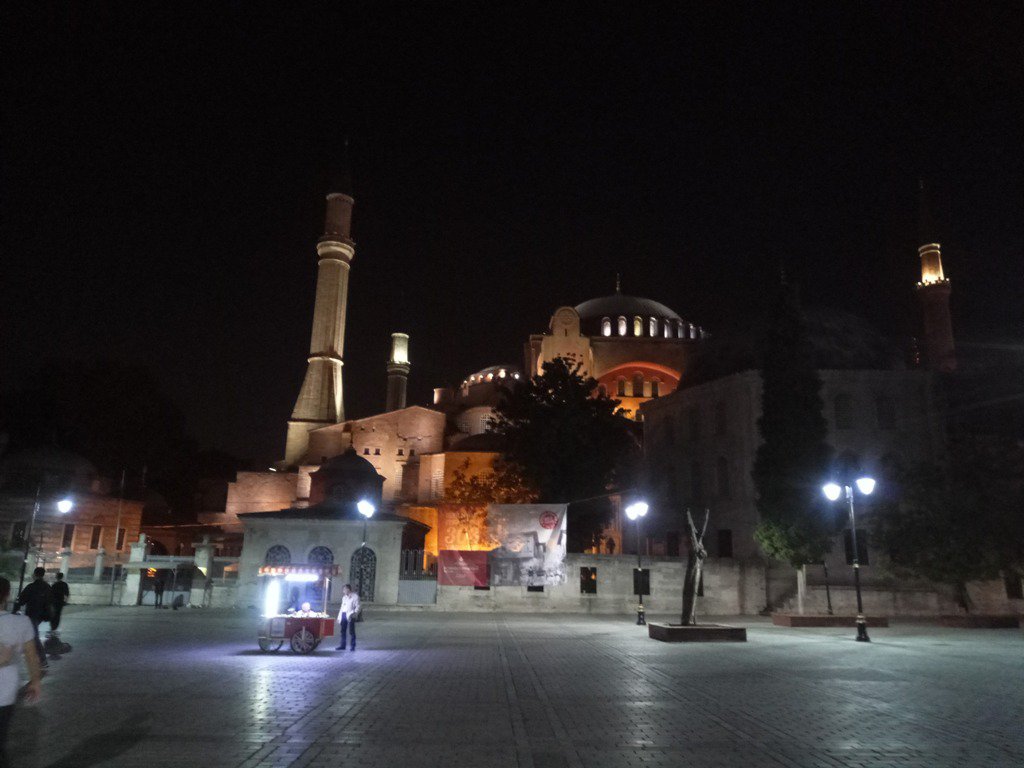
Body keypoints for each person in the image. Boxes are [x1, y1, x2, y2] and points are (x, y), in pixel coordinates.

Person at [0, 576, 42, 767]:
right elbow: (32, 656)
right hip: (5, 689)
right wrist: (35, 681)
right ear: (7, 595)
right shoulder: (21, 622)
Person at [14, 568, 52, 669]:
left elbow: (21, 600)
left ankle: (43, 660)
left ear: (35, 574)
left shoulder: (31, 587)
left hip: (32, 614)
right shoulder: (47, 587)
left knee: (34, 637)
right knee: (31, 635)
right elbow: (50, 601)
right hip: (42, 615)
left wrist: (15, 608)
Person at [335, 584, 361, 651]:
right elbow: (342, 608)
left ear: (348, 589)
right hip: (343, 614)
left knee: (351, 631)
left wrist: (354, 613)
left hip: (350, 615)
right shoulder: (344, 597)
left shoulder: (355, 597)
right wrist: (339, 617)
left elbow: (358, 607)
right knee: (343, 631)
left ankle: (353, 646)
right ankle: (342, 645)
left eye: (344, 589)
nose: (343, 591)